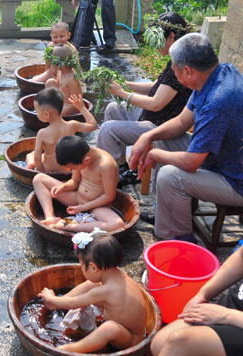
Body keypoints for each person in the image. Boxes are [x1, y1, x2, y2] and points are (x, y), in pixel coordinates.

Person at [129, 33, 243, 242]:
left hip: (235, 180)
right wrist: (148, 136)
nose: (172, 71)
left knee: (170, 176)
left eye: (174, 68)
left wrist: (155, 153)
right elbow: (182, 122)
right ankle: (164, 210)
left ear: (188, 71)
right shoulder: (216, 74)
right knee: (163, 137)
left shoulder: (218, 101)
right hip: (219, 157)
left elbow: (191, 163)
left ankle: (178, 238)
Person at [127, 246, 243, 356]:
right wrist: (203, 294)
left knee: (181, 344)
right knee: (161, 343)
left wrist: (225, 316)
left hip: (235, 318)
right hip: (235, 305)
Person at [96, 12, 192, 187]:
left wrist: (123, 94)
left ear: (171, 36)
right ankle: (121, 166)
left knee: (108, 130)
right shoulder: (175, 57)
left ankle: (108, 177)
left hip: (161, 127)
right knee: (112, 108)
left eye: (158, 40)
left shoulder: (182, 64)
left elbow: (156, 104)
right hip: (152, 117)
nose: (155, 46)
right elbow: (155, 86)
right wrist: (124, 84)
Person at [38, 232, 147, 353]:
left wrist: (50, 298)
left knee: (109, 328)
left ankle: (69, 349)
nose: (81, 269)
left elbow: (75, 303)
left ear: (93, 267)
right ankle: (58, 303)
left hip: (130, 339)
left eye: (81, 266)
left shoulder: (105, 291)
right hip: (125, 323)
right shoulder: (120, 275)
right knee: (92, 284)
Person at [33, 135, 124, 232]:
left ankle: (70, 227)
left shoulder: (105, 165)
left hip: (97, 207)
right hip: (77, 198)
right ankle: (50, 217)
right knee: (38, 179)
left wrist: (84, 207)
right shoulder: (79, 156)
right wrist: (63, 187)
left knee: (117, 224)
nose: (72, 170)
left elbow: (109, 196)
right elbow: (75, 181)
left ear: (86, 160)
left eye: (74, 168)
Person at [25, 88, 97, 173]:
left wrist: (41, 172)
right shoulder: (72, 125)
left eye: (37, 111)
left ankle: (30, 166)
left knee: (31, 155)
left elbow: (37, 158)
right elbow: (93, 126)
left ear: (46, 114)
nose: (36, 113)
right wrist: (82, 108)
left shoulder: (42, 133)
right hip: (67, 169)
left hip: (49, 170)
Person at [43, 44, 83, 115]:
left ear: (57, 64)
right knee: (50, 82)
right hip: (61, 100)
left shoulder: (71, 78)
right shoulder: (60, 71)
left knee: (54, 115)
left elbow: (77, 101)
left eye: (52, 63)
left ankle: (56, 114)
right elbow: (60, 85)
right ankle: (51, 107)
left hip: (70, 106)